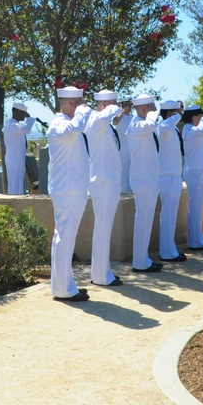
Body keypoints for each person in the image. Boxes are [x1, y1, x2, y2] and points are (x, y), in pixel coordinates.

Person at [46, 86, 92, 302]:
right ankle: (63, 289)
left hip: (72, 189)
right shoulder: (60, 124)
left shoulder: (67, 124)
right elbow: (74, 130)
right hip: (67, 190)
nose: (84, 107)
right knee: (64, 238)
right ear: (72, 104)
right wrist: (83, 112)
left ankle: (65, 285)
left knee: (65, 238)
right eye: (81, 103)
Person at [86, 89, 123, 287]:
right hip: (103, 181)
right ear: (103, 105)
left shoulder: (106, 125)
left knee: (104, 228)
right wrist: (114, 109)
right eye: (112, 103)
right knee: (102, 228)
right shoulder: (95, 121)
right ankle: (101, 276)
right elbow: (102, 117)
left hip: (109, 180)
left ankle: (101, 271)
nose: (116, 107)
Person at [127, 95, 162, 272]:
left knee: (146, 221)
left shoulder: (144, 126)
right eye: (151, 107)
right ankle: (139, 262)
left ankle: (143, 259)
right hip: (143, 180)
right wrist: (153, 115)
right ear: (143, 109)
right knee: (143, 221)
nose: (155, 110)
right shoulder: (137, 125)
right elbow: (149, 124)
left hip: (149, 178)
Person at [156, 100, 185, 263]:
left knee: (171, 215)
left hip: (174, 175)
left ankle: (170, 249)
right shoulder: (163, 127)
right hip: (166, 176)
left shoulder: (171, 128)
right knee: (167, 215)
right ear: (169, 114)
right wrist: (177, 114)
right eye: (175, 112)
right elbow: (167, 125)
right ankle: (166, 252)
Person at [182, 105, 203, 251]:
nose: (201, 118)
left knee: (197, 207)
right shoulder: (190, 130)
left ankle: (197, 240)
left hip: (198, 171)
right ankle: (195, 242)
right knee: (195, 207)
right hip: (194, 172)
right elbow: (202, 129)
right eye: (198, 116)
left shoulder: (194, 130)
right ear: (193, 117)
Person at [3, 101, 36, 194]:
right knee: (16, 186)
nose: (23, 115)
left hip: (15, 159)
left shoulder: (13, 124)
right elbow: (26, 129)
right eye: (22, 113)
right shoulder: (13, 125)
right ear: (15, 112)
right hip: (15, 160)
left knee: (16, 185)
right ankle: (15, 204)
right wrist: (29, 118)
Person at [116, 96, 133, 191]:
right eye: (126, 105)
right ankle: (123, 191)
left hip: (132, 148)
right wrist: (122, 111)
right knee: (123, 172)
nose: (129, 107)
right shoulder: (119, 116)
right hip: (123, 148)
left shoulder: (132, 117)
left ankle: (130, 190)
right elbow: (115, 122)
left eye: (130, 105)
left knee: (131, 172)